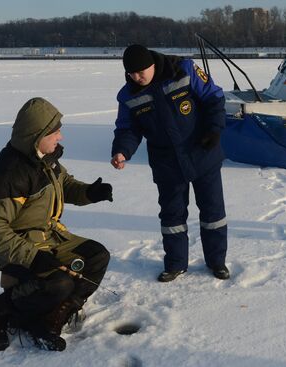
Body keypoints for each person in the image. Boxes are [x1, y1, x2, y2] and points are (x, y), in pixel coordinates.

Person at [0, 97, 112, 352]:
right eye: (55, 132)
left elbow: (64, 185)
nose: (61, 137)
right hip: (11, 245)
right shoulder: (7, 174)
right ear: (37, 136)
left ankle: (53, 314)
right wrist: (33, 258)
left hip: (45, 235)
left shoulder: (45, 158)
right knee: (58, 282)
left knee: (96, 256)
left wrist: (90, 192)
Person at [111, 44, 229, 283]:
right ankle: (176, 264)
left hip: (203, 153)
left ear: (152, 64)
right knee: (172, 216)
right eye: (131, 73)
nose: (136, 77)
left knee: (213, 212)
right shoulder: (128, 95)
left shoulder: (183, 70)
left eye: (141, 71)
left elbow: (214, 98)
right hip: (167, 163)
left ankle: (217, 262)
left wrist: (214, 129)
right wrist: (122, 151)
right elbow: (127, 129)